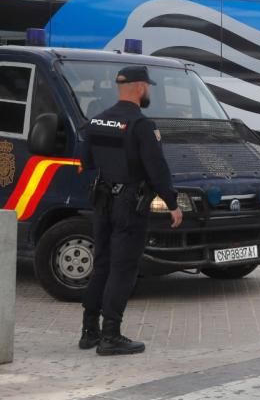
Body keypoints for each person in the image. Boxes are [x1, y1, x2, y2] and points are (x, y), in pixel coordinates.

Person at [78, 66, 183, 356]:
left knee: (101, 264)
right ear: (139, 87)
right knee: (123, 268)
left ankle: (89, 331)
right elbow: (157, 169)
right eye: (148, 86)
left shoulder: (97, 121)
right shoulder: (141, 125)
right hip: (129, 204)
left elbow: (85, 160)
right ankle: (111, 335)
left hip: (102, 200)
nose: (148, 90)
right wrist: (172, 204)